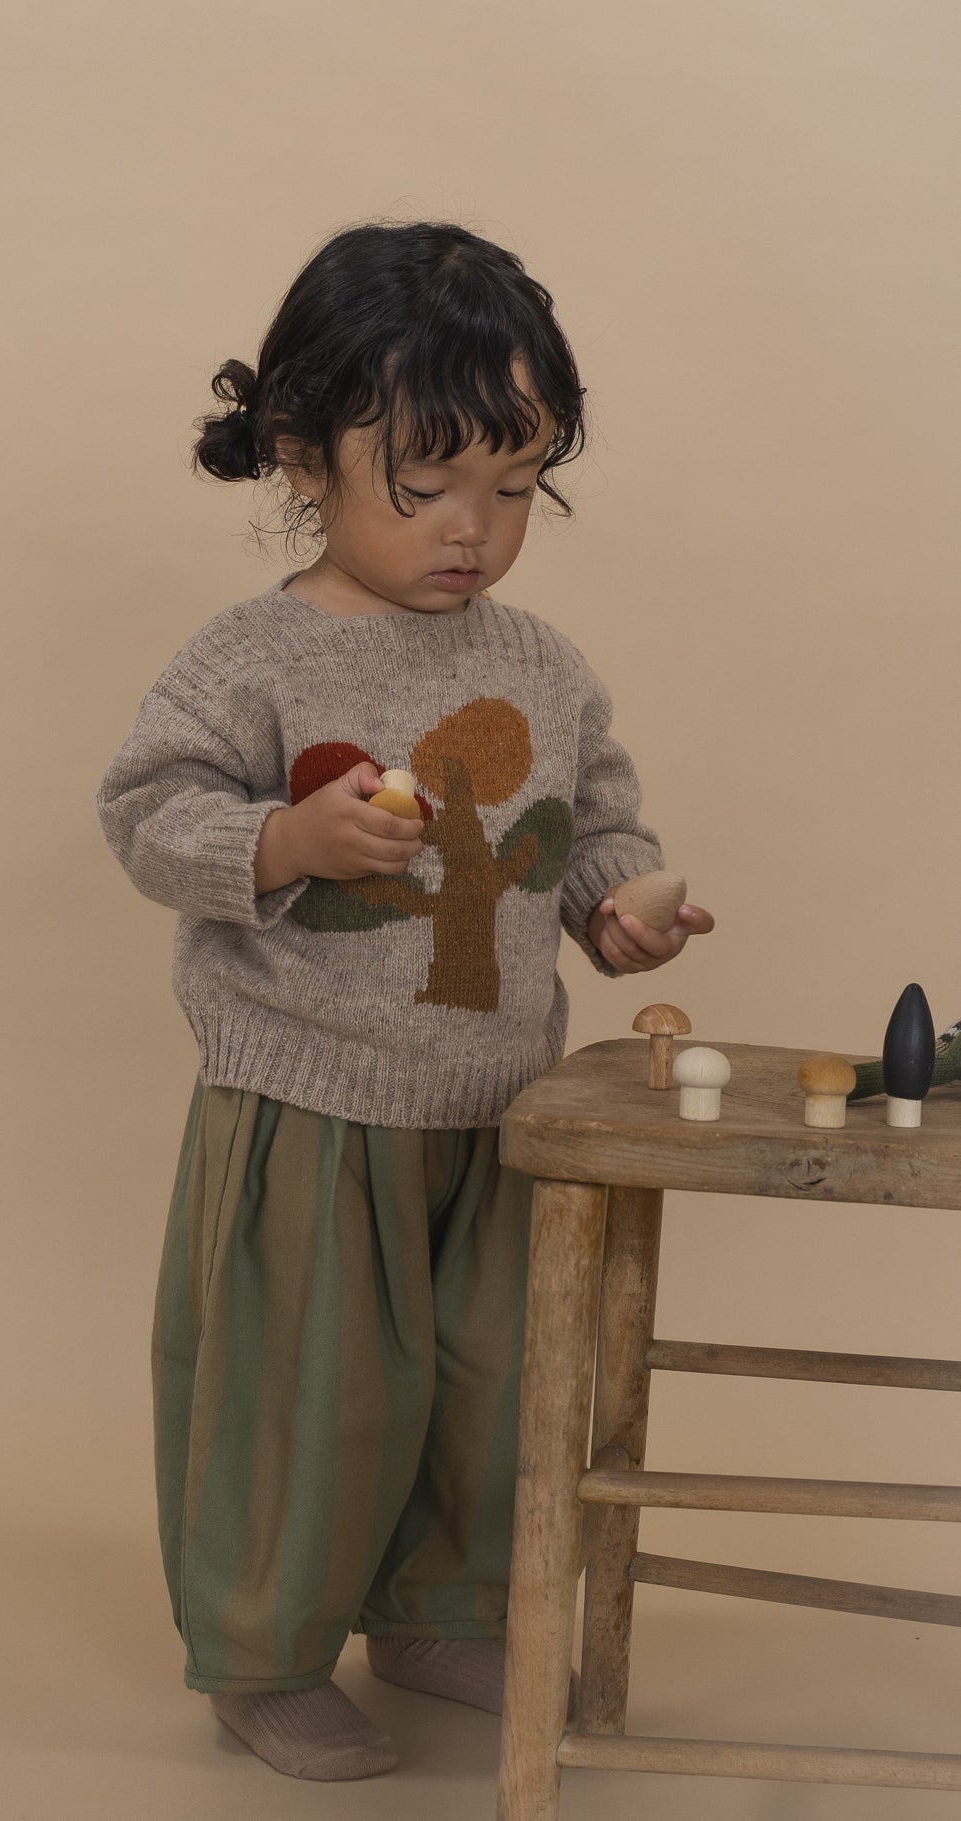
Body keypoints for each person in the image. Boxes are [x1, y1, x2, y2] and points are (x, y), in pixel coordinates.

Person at [96, 219, 714, 1782]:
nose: (471, 529)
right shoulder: (257, 658)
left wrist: (620, 908)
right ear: (302, 452)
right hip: (312, 1098)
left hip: (496, 1101)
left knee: (484, 1385)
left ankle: (440, 1607)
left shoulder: (544, 665)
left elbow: (590, 824)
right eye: (424, 484)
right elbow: (146, 809)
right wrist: (281, 841)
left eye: (511, 489)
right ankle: (264, 1643)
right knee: (312, 1394)